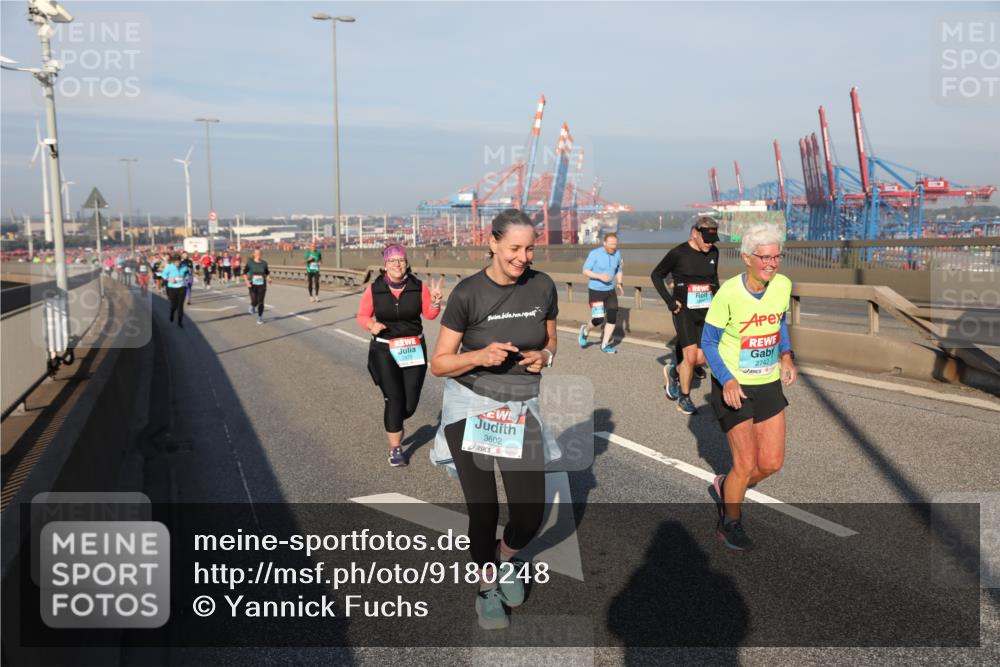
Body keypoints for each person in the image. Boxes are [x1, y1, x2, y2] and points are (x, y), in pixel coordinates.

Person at [430, 209, 559, 630]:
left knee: (530, 513)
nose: (523, 257)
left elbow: (550, 337)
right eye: (515, 248)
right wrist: (479, 356)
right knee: (483, 511)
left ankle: (504, 560)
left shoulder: (542, 285)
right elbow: (440, 363)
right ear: (493, 243)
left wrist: (547, 356)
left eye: (530, 248)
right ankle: (486, 586)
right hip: (471, 407)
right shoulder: (469, 293)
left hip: (520, 407)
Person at [701, 223, 797, 552]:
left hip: (768, 381)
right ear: (746, 258)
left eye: (776, 256)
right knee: (745, 463)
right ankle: (730, 522)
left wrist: (786, 355)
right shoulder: (728, 292)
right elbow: (708, 342)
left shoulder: (782, 285)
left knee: (770, 463)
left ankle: (728, 487)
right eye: (764, 257)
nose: (771, 263)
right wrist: (726, 379)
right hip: (734, 385)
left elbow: (779, 322)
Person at [357, 245, 443, 467]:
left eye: (401, 260)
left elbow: (430, 315)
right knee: (394, 399)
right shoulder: (374, 289)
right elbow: (362, 315)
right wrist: (371, 325)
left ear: (406, 264)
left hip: (413, 349)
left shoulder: (418, 287)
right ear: (385, 265)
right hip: (384, 350)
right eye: (392, 261)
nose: (397, 264)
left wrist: (434, 302)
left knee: (409, 404)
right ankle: (396, 449)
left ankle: (395, 418)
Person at [650, 216, 721, 415]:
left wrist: (721, 303)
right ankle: (684, 397)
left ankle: (673, 372)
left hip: (706, 311)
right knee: (690, 357)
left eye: (713, 240)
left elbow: (713, 279)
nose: (709, 244)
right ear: (695, 233)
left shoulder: (714, 251)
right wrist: (670, 301)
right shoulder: (678, 253)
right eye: (706, 239)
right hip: (684, 312)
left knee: (701, 360)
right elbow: (656, 275)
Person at [579, 232, 624, 353]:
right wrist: (599, 276)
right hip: (596, 291)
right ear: (604, 243)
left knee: (612, 316)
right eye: (611, 244)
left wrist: (619, 283)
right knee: (598, 319)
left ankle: (604, 345)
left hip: (610, 290)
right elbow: (585, 271)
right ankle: (585, 330)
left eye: (615, 244)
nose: (613, 247)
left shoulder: (618, 254)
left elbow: (619, 269)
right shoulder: (595, 254)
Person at [161, 253, 190, 328]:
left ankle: (180, 322)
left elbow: (187, 274)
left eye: (178, 261)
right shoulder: (170, 267)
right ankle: (172, 312)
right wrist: (169, 279)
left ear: (180, 261)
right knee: (174, 305)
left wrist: (185, 278)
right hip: (172, 288)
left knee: (180, 305)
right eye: (176, 261)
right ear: (173, 261)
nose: (177, 262)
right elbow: (163, 275)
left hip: (182, 287)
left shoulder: (184, 267)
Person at [243, 248, 271, 324]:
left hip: (262, 284)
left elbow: (267, 273)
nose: (258, 255)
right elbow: (244, 273)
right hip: (252, 284)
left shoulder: (264, 263)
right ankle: (252, 306)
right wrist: (247, 282)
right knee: (254, 300)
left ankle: (260, 318)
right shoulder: (250, 263)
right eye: (256, 253)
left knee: (261, 302)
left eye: (259, 253)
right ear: (254, 254)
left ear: (261, 254)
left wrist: (269, 278)